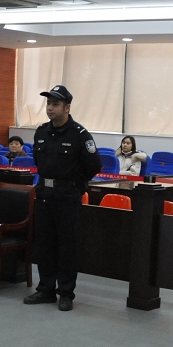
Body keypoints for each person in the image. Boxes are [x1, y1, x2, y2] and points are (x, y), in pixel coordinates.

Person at [24, 85, 101, 311]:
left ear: (67, 107)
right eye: (48, 103)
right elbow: (39, 162)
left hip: (67, 197)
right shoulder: (41, 132)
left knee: (67, 247)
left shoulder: (80, 134)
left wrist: (75, 184)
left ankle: (66, 293)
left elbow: (94, 165)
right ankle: (45, 289)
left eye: (55, 104)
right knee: (45, 245)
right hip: (44, 195)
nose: (50, 108)